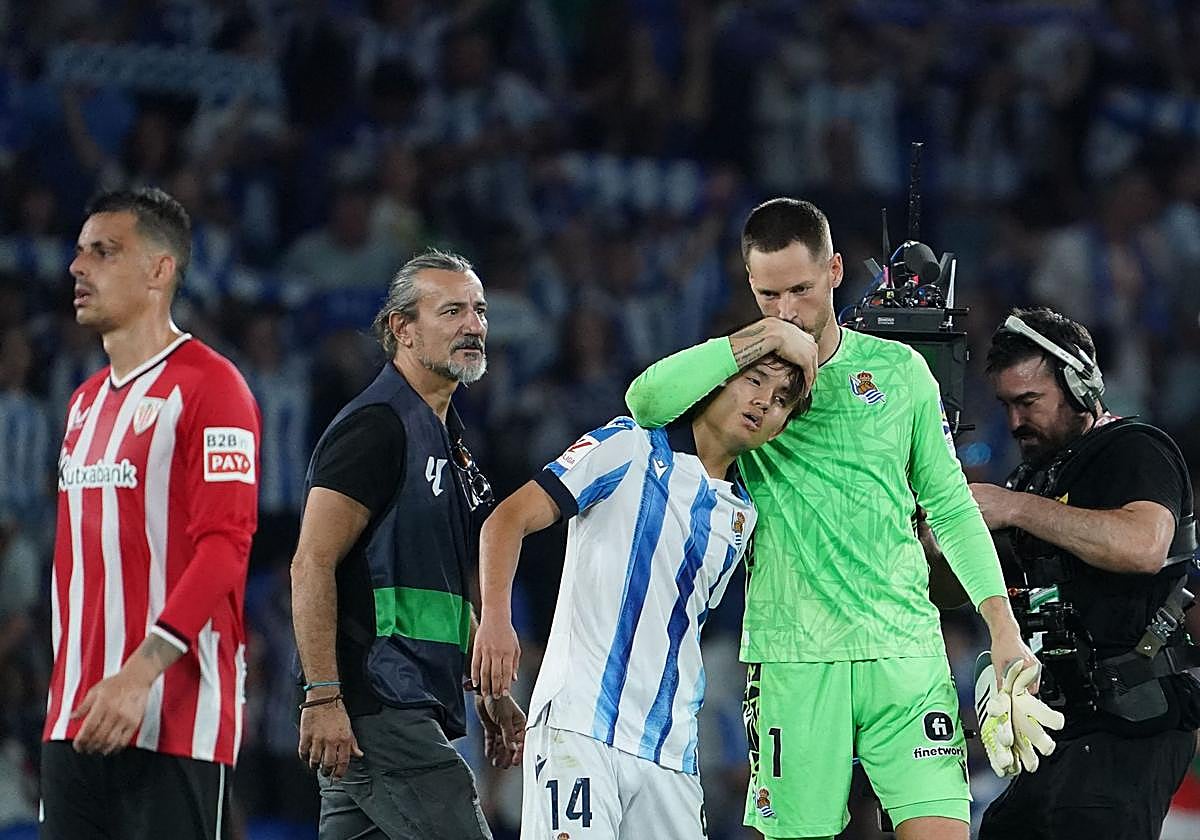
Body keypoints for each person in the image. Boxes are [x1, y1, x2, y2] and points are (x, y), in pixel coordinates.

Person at [624, 197, 1035, 840]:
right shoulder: (746, 383)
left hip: (905, 652)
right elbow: (645, 401)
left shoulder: (901, 373)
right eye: (768, 296)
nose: (787, 310)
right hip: (795, 659)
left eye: (800, 290)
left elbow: (951, 506)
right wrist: (755, 341)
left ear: (836, 272)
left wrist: (1003, 631)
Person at [473, 349, 811, 839]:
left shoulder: (742, 517)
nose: (764, 402)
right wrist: (497, 621)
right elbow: (505, 521)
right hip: (580, 724)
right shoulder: (626, 445)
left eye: (781, 400)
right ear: (713, 380)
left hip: (671, 751)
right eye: (754, 380)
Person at [41, 187, 261, 839]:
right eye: (79, 253)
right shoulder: (82, 404)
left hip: (173, 718)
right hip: (75, 718)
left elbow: (226, 547)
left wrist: (137, 675)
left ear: (160, 271)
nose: (78, 268)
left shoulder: (212, 386)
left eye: (104, 252)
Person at [291, 249, 525, 840]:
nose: (473, 325)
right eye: (451, 312)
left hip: (394, 705)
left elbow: (436, 586)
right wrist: (321, 696)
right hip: (377, 705)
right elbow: (311, 563)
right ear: (402, 328)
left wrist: (489, 691)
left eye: (479, 310)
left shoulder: (444, 434)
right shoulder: (376, 427)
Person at [970, 307, 1199, 840]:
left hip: (1128, 723)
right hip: (1056, 727)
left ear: (1079, 385)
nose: (1014, 423)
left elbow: (1143, 546)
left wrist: (1015, 509)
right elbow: (961, 592)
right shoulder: (1033, 477)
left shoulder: (1134, 448)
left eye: (1029, 403)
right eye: (1006, 405)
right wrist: (939, 538)